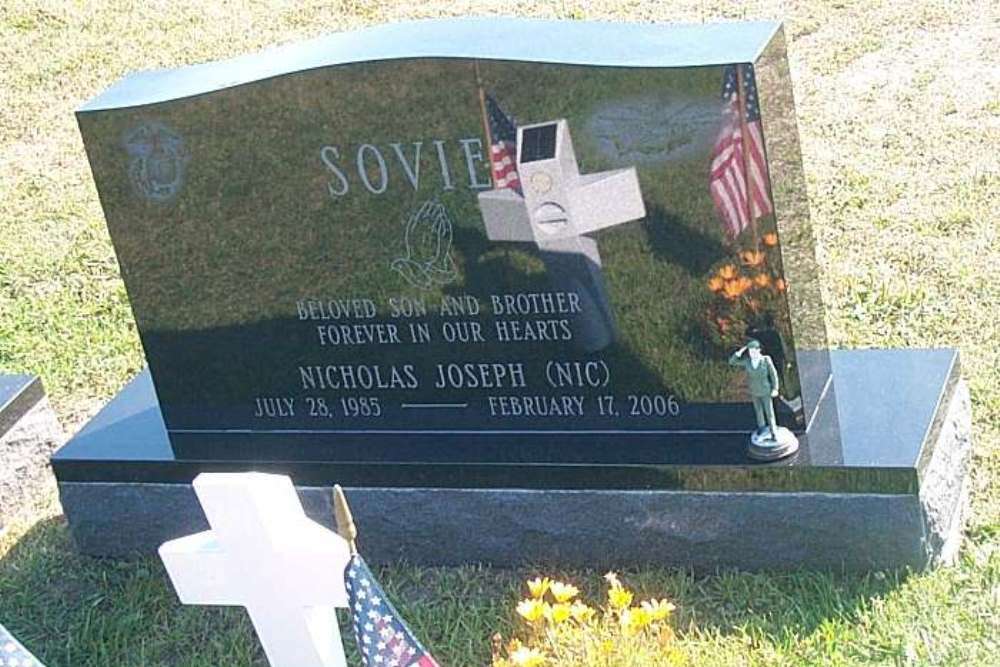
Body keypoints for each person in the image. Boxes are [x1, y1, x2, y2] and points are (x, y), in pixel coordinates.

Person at [729, 339, 780, 438]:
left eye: (753, 351)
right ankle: (762, 427)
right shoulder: (747, 362)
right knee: (758, 411)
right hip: (754, 391)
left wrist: (775, 388)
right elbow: (732, 362)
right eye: (750, 351)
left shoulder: (766, 360)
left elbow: (773, 375)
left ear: (758, 350)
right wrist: (740, 352)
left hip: (765, 391)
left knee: (769, 412)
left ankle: (773, 430)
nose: (751, 353)